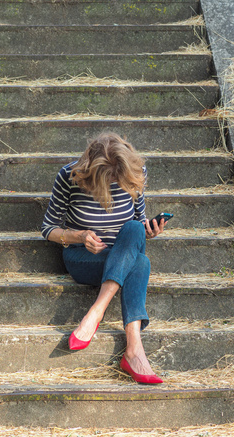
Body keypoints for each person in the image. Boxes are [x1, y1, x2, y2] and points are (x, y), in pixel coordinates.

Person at [41, 132, 166, 384]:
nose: (112, 180)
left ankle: (100, 316)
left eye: (116, 176)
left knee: (133, 230)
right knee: (140, 263)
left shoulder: (135, 170)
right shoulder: (70, 176)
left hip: (122, 255)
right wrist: (80, 236)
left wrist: (149, 230)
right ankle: (133, 352)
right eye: (107, 176)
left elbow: (139, 220)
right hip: (84, 258)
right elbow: (48, 228)